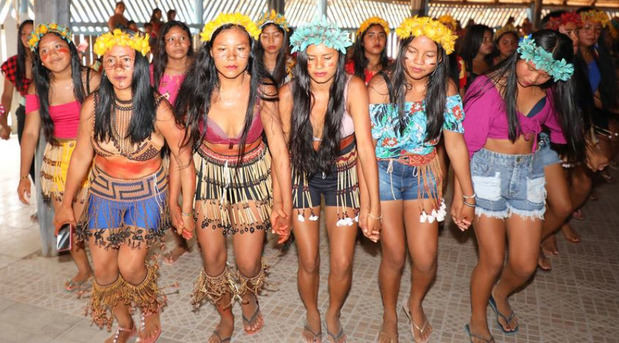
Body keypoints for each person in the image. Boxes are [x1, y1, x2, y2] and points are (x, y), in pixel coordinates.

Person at [54, 29, 195, 343]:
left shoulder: (158, 108)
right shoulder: (93, 105)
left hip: (146, 194)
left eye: (126, 61)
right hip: (104, 193)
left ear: (140, 65)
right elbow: (80, 155)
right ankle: (125, 323)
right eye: (111, 61)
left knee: (130, 266)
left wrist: (183, 208)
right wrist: (66, 202)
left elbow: (183, 157)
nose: (118, 68)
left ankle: (151, 304)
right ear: (102, 66)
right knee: (103, 271)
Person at [174, 13, 292, 343]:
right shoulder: (196, 89)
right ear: (210, 51)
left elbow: (280, 152)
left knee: (249, 263)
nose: (231, 57)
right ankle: (225, 315)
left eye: (239, 49)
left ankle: (249, 296)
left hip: (252, 176)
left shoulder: (264, 89)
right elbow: (181, 151)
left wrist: (283, 205)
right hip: (207, 178)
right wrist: (179, 205)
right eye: (223, 49)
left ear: (250, 51)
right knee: (213, 260)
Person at [463, 30, 578, 342]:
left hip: (528, 172)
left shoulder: (549, 92)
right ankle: (476, 316)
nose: (534, 75)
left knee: (525, 264)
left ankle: (499, 294)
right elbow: (466, 147)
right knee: (492, 259)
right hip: (487, 172)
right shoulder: (487, 87)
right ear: (521, 52)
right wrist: (464, 196)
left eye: (545, 72)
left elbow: (557, 128)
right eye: (530, 65)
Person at [368, 17, 475, 343]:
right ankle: (389, 315)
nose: (419, 62)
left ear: (441, 58)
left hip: (425, 174)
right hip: (384, 173)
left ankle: (413, 304)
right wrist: (368, 203)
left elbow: (455, 144)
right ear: (401, 51)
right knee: (395, 255)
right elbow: (367, 149)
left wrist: (467, 196)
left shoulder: (446, 88)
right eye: (412, 52)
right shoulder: (381, 86)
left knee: (427, 259)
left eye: (429, 55)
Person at [279, 18, 381, 343]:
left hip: (344, 171)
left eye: (328, 58)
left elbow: (366, 147)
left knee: (342, 261)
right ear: (301, 58)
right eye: (312, 57)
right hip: (303, 173)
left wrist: (372, 207)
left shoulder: (354, 87)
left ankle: (334, 311)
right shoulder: (288, 93)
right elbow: (280, 154)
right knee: (308, 259)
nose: (320, 66)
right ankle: (312, 311)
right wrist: (278, 203)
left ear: (340, 57)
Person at [17, 24, 99, 292]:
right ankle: (83, 269)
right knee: (65, 223)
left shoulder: (91, 79)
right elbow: (30, 133)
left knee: (87, 222)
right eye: (44, 51)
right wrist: (22, 176)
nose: (52, 54)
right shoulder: (35, 89)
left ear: (70, 48)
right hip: (56, 158)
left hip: (90, 158)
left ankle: (105, 271)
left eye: (57, 47)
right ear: (39, 58)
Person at [151, 20, 194, 264]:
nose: (177, 44)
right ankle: (181, 241)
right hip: (165, 143)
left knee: (197, 194)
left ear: (190, 41)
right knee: (170, 194)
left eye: (182, 38)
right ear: (163, 45)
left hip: (198, 140)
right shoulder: (153, 72)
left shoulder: (201, 69)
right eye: (171, 40)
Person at [2, 20, 33, 157]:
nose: (27, 37)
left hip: (47, 116)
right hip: (24, 115)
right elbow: (6, 97)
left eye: (32, 33)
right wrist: (3, 122)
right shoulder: (12, 64)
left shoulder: (48, 59)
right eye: (24, 34)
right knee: (29, 162)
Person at [345, 16, 392, 85]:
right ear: (362, 41)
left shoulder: (392, 68)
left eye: (381, 35)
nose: (377, 40)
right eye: (371, 36)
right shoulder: (348, 68)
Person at [255, 10, 294, 86]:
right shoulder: (251, 65)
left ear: (284, 37)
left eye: (276, 35)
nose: (271, 41)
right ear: (259, 39)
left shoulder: (293, 66)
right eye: (265, 36)